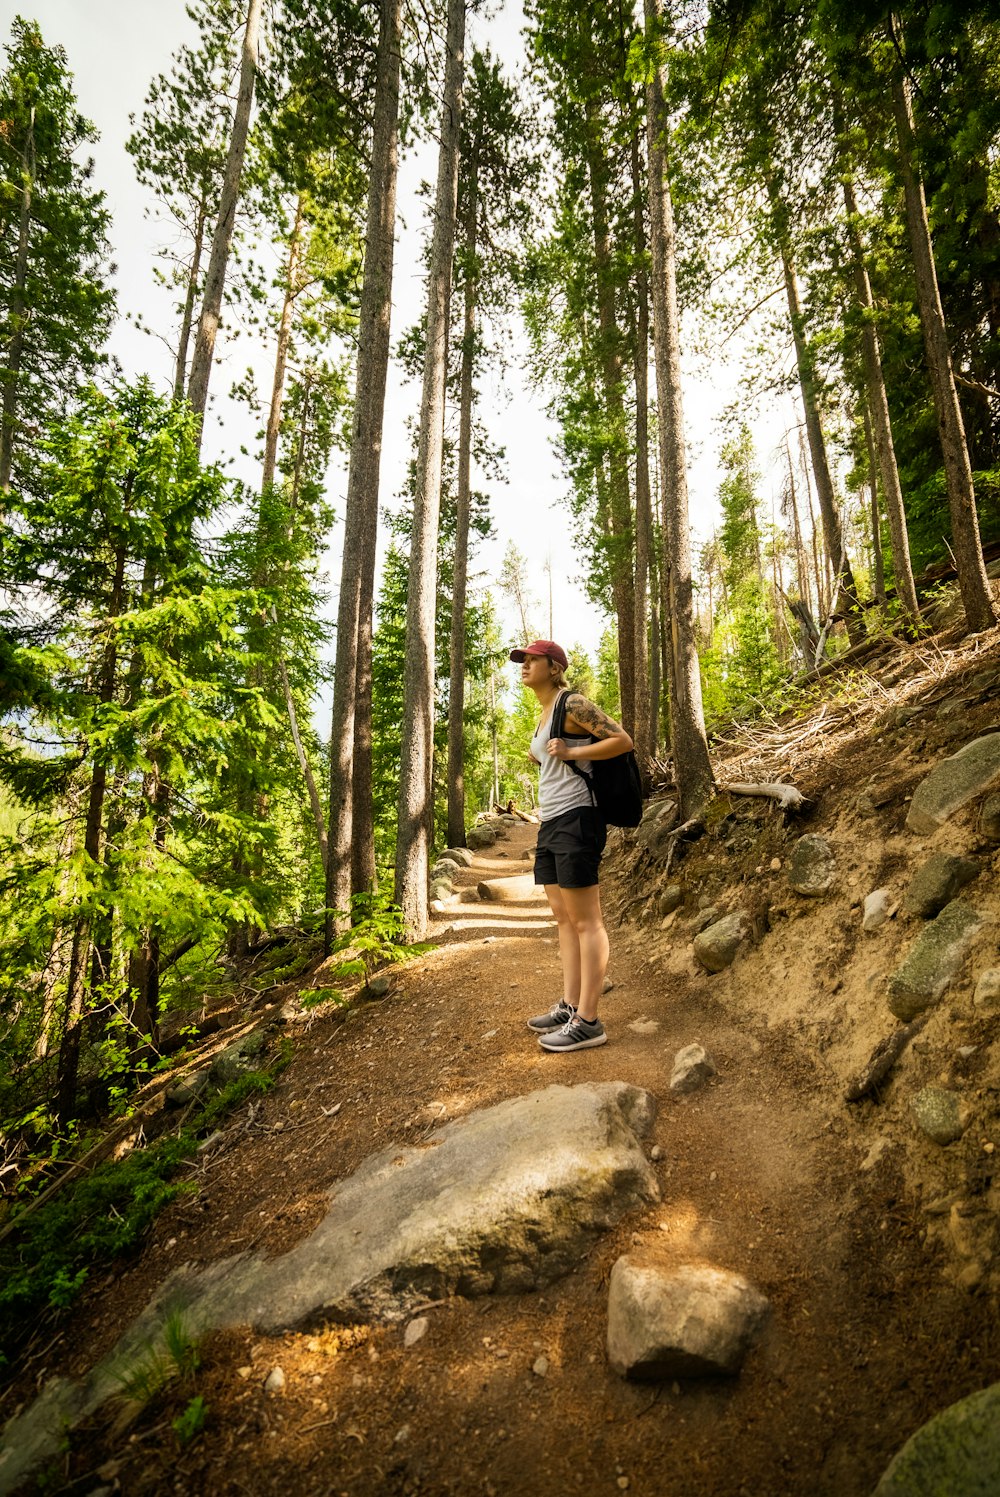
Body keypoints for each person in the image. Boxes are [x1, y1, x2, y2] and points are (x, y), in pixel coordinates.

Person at [510, 639, 633, 1052]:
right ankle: (569, 1005)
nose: (525, 666)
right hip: (551, 822)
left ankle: (589, 1021)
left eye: (532, 660)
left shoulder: (572, 703)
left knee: (586, 921)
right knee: (564, 919)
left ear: (554, 667)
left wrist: (573, 748)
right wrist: (550, 752)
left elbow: (623, 741)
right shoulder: (545, 712)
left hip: (579, 817)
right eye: (523, 661)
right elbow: (550, 755)